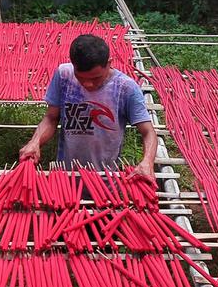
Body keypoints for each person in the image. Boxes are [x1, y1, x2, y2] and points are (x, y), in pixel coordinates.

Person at [18, 34, 157, 179]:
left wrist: (147, 161)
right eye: (81, 77)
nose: (87, 84)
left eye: (95, 78)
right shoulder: (64, 75)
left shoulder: (125, 88)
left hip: (106, 179)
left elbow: (148, 131)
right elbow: (51, 117)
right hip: (65, 178)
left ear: (109, 63)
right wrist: (35, 142)